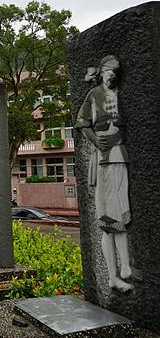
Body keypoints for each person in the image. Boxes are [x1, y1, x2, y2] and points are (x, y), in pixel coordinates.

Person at [76, 55, 134, 292]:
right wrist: (95, 140)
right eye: (110, 72)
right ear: (102, 72)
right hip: (103, 159)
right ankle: (114, 275)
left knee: (121, 212)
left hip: (120, 154)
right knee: (107, 218)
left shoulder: (119, 95)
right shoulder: (94, 95)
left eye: (115, 74)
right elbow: (82, 123)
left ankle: (126, 268)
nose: (112, 76)